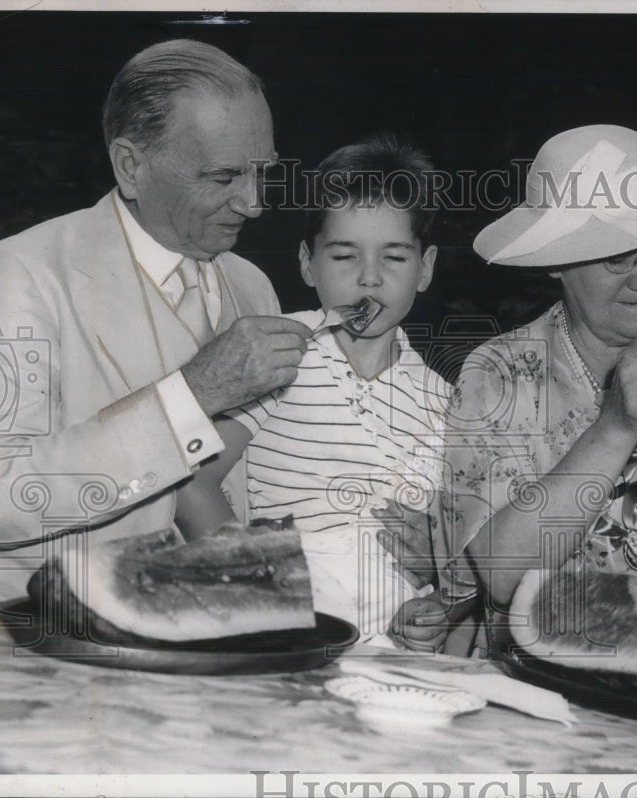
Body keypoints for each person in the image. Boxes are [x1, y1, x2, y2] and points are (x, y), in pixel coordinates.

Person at [0, 40, 310, 595]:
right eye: (224, 177)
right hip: (46, 651)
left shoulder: (253, 285)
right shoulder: (13, 276)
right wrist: (191, 396)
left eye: (262, 172)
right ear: (131, 165)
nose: (254, 203)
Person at [435, 124, 637, 651]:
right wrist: (616, 427)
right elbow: (500, 573)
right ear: (555, 262)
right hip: (548, 677)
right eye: (618, 258)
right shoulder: (502, 373)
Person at [173, 134, 455, 649]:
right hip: (281, 623)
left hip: (390, 648)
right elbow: (191, 483)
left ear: (426, 268)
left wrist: (426, 602)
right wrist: (260, 597)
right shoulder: (279, 355)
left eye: (394, 258)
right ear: (308, 263)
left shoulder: (444, 402)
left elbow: (433, 561)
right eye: (344, 256)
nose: (369, 280)